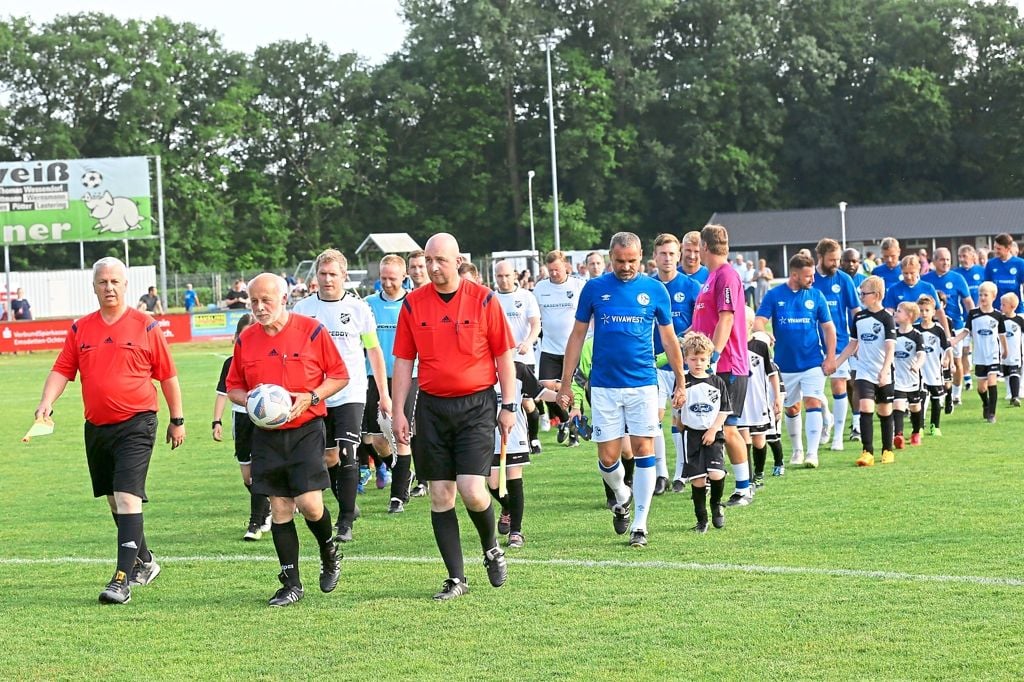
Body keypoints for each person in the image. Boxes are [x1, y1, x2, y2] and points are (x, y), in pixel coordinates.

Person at [33, 256, 186, 604]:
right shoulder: (80, 329)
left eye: (115, 281)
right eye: (103, 282)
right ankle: (145, 561)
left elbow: (168, 376)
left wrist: (177, 420)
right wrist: (46, 401)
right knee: (115, 501)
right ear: (94, 286)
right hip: (98, 427)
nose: (109, 287)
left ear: (125, 284)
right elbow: (62, 369)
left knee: (128, 495)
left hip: (138, 422)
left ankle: (121, 580)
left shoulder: (146, 326)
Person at [391, 232, 516, 601]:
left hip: (477, 406)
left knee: (473, 491)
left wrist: (508, 405)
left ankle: (491, 547)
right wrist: (399, 410)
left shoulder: (484, 300)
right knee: (440, 494)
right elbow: (403, 361)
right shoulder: (413, 305)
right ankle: (455, 578)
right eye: (428, 260)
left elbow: (503, 357)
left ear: (458, 260)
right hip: (431, 406)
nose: (432, 267)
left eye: (440, 260)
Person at [556, 231, 686, 548]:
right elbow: (576, 336)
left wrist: (681, 380)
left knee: (644, 450)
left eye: (631, 261)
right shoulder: (594, 289)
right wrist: (565, 382)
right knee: (608, 457)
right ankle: (622, 493)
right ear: (610, 257)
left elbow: (669, 339)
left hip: (643, 383)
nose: (625, 267)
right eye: (619, 261)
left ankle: (639, 525)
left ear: (641, 257)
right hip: (604, 386)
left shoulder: (655, 290)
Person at [225, 273, 348, 607]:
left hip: (306, 430)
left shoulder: (311, 331)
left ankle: (328, 549)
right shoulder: (246, 339)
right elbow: (233, 386)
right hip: (265, 434)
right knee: (279, 507)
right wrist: (253, 400)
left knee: (309, 504)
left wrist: (311, 396)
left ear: (284, 299)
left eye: (266, 300)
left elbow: (339, 376)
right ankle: (291, 582)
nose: (260, 307)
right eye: (254, 302)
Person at [293, 249, 390, 543]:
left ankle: (345, 520)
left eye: (333, 274)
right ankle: (348, 503)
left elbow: (373, 351)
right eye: (322, 274)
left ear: (344, 276)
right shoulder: (302, 309)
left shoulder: (359, 309)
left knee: (348, 451)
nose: (327, 279)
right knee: (328, 456)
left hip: (351, 390)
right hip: (316, 394)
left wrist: (383, 394)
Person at [754, 253, 837, 469]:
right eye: (808, 276)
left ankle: (812, 453)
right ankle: (797, 450)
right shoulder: (774, 295)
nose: (813, 279)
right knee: (791, 408)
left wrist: (830, 357)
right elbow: (759, 321)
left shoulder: (816, 296)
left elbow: (829, 328)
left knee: (813, 402)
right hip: (784, 365)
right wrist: (764, 332)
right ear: (794, 275)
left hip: (812, 362)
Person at [690, 224, 754, 504]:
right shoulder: (711, 276)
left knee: (728, 428)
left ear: (705, 246)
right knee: (711, 424)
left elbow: (726, 318)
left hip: (727, 364)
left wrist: (714, 355)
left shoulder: (726, 275)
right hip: (712, 363)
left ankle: (744, 487)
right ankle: (710, 476)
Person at [363, 255, 419, 514]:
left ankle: (397, 497)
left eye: (392, 279)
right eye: (383, 278)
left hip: (407, 376)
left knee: (401, 432)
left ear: (404, 277)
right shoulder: (368, 305)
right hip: (373, 376)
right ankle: (400, 469)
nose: (386, 283)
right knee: (376, 439)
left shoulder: (414, 302)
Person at [213, 313, 271, 540]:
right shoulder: (231, 362)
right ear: (237, 337)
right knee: (248, 477)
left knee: (258, 473)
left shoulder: (267, 357)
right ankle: (267, 504)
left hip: (264, 420)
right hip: (241, 420)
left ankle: (255, 523)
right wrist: (216, 421)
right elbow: (222, 394)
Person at [649, 233, 699, 495]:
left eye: (672, 253)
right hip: (653, 365)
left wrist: (678, 341)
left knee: (681, 419)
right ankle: (661, 473)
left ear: (678, 255)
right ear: (654, 257)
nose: (667, 258)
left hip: (683, 366)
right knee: (654, 417)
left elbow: (700, 322)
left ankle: (682, 471)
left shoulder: (690, 286)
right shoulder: (646, 285)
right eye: (662, 254)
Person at [834, 275, 897, 467]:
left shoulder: (887, 318)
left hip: (883, 372)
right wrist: (836, 363)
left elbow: (890, 348)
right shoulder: (859, 317)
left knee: (885, 411)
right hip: (864, 373)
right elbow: (852, 345)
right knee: (865, 409)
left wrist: (885, 370)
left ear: (876, 295)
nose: (861, 297)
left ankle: (887, 449)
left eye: (864, 294)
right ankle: (867, 452)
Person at [675, 331, 730, 533]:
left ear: (709, 359)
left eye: (702, 359)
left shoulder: (717, 383)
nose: (698, 363)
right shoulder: (683, 382)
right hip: (692, 435)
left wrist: (714, 429)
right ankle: (702, 520)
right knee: (697, 480)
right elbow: (678, 409)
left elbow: (724, 410)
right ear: (685, 359)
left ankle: (716, 505)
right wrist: (679, 421)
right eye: (693, 359)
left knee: (715, 474)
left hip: (713, 434)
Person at [533, 250, 586, 445]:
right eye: (550, 270)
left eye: (556, 269)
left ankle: (574, 429)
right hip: (549, 347)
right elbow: (534, 315)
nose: (553, 273)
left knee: (573, 389)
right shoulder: (540, 288)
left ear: (566, 266)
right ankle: (564, 420)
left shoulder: (578, 286)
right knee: (545, 386)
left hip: (572, 348)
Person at [813, 238, 859, 452]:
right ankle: (826, 417)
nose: (836, 264)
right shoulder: (809, 279)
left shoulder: (844, 280)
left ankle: (838, 437)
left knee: (839, 385)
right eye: (832, 260)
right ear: (820, 257)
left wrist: (858, 338)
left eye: (838, 259)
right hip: (812, 345)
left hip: (839, 343)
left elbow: (855, 311)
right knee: (813, 393)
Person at [493, 259, 543, 454]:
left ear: (515, 275)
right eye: (499, 276)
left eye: (507, 276)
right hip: (501, 360)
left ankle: (534, 438)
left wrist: (528, 342)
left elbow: (535, 324)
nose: (504, 280)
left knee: (527, 402)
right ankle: (509, 443)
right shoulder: (491, 298)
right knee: (505, 400)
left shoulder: (526, 296)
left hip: (524, 358)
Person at [922, 247, 973, 410]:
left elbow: (967, 302)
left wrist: (972, 319)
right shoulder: (926, 280)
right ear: (934, 261)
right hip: (932, 327)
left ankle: (956, 394)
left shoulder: (957, 278)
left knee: (956, 361)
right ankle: (939, 394)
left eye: (948, 260)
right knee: (936, 361)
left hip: (955, 327)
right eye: (942, 259)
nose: (946, 263)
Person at [737, 307, 782, 487]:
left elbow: (772, 373)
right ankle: (747, 477)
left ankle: (759, 473)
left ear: (750, 324)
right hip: (740, 399)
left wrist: (777, 397)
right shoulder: (732, 345)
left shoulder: (761, 346)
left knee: (759, 439)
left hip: (759, 401)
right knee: (743, 438)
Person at [951, 282, 1007, 423]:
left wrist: (1005, 349)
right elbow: (966, 331)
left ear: (993, 297)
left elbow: (1002, 335)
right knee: (981, 388)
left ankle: (992, 414)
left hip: (993, 354)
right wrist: (954, 341)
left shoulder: (998, 316)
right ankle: (986, 403)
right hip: (979, 355)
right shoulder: (973, 314)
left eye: (985, 295)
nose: (982, 297)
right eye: (980, 294)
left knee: (992, 382)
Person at [890, 302, 926, 451]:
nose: (895, 313)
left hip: (912, 379)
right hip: (897, 378)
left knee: (915, 407)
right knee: (898, 405)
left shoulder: (917, 336)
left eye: (899, 311)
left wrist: (917, 365)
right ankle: (898, 435)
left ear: (909, 316)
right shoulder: (893, 333)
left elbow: (922, 354)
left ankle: (916, 432)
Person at [915, 295, 952, 436]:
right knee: (921, 399)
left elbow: (947, 348)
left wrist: (949, 361)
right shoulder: (915, 329)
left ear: (933, 312)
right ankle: (920, 426)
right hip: (919, 371)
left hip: (935, 370)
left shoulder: (939, 330)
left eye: (927, 310)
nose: (924, 313)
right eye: (921, 310)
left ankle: (935, 425)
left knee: (937, 399)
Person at [984, 233, 1024, 312]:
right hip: (996, 310)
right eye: (995, 248)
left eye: (999, 249)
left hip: (1015, 310)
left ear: (1008, 248)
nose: (995, 251)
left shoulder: (1020, 264)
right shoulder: (991, 264)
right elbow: (986, 288)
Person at [999, 293, 1024, 406]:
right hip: (1003, 354)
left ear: (1012, 306)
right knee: (1006, 374)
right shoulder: (1000, 320)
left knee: (1015, 374)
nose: (1001, 307)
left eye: (1003, 305)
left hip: (1016, 354)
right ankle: (1009, 393)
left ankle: (1015, 396)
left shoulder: (1019, 320)